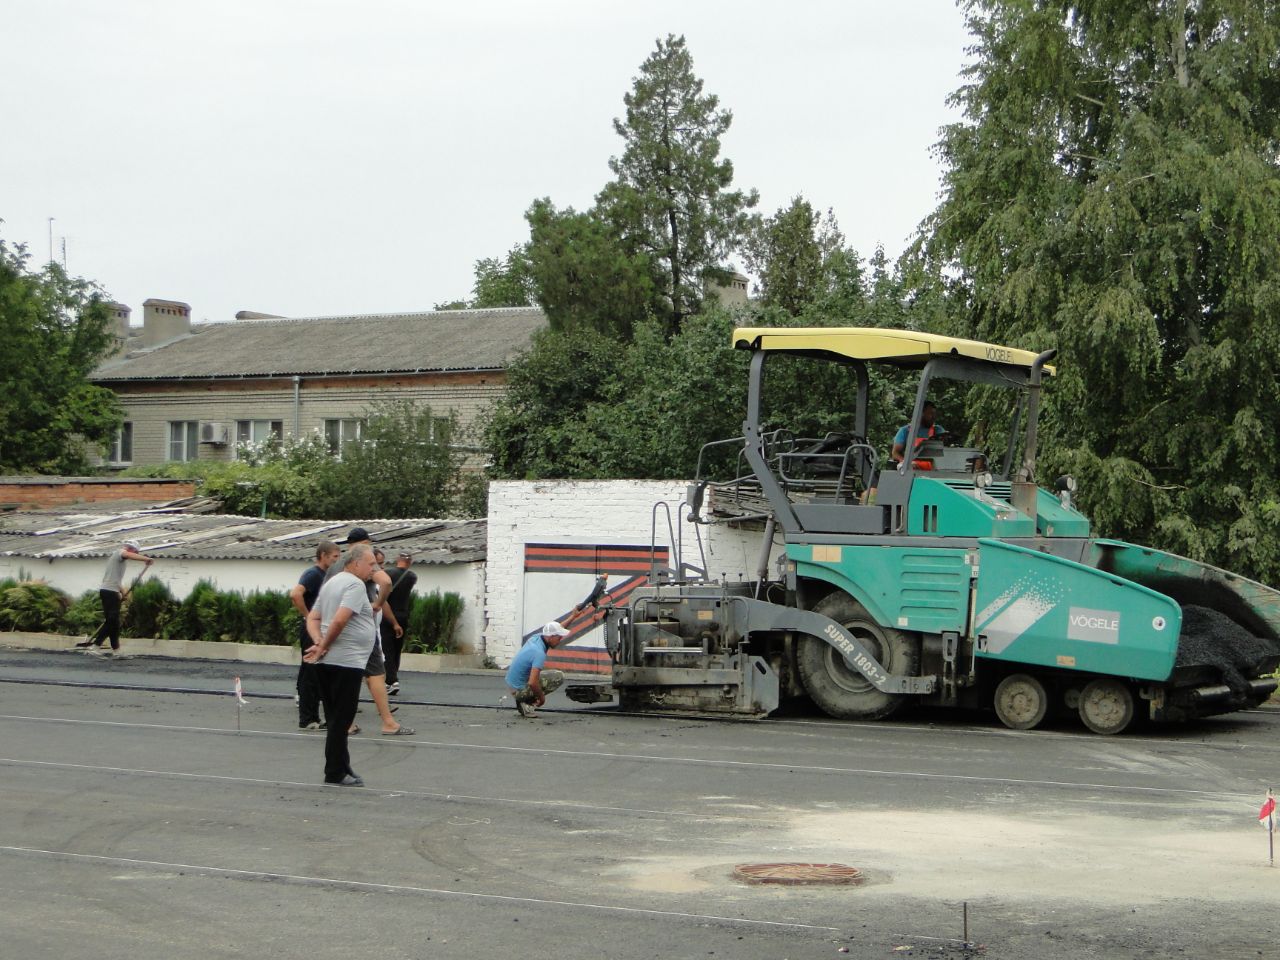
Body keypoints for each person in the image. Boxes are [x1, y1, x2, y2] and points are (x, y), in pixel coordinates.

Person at [303, 543, 379, 786]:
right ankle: (334, 772)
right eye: (370, 564)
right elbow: (339, 620)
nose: (373, 569)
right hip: (344, 661)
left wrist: (317, 641)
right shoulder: (354, 585)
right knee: (341, 719)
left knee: (337, 716)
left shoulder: (331, 582)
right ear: (355, 563)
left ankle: (342, 766)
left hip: (333, 660)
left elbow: (313, 618)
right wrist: (323, 645)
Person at [328, 529, 413, 737]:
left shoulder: (335, 567)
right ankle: (388, 722)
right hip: (360, 628)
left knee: (347, 675)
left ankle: (345, 722)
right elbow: (385, 582)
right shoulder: (365, 562)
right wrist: (378, 603)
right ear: (358, 544)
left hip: (338, 625)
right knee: (375, 673)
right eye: (367, 542)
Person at [290, 540, 340, 730]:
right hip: (312, 629)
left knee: (314, 671)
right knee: (311, 671)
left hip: (319, 628)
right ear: (323, 556)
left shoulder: (326, 575)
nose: (337, 560)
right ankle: (307, 718)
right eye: (334, 557)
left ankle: (313, 716)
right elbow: (296, 594)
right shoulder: (313, 574)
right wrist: (308, 616)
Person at [76, 538, 153, 656]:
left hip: (112, 591)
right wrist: (146, 559)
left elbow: (116, 580)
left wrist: (122, 592)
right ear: (131, 549)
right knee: (111, 621)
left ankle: (116, 650)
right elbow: (127, 554)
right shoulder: (120, 553)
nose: (135, 555)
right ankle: (96, 646)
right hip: (108, 592)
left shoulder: (120, 562)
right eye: (136, 552)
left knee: (114, 623)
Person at [506, 621, 569, 718]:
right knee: (558, 677)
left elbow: (558, 629)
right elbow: (532, 683)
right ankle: (526, 702)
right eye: (559, 638)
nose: (560, 640)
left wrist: (574, 616)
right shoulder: (539, 653)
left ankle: (523, 699)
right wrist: (541, 698)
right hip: (518, 690)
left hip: (512, 683)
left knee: (546, 676)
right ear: (551, 637)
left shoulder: (537, 637)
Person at [381, 552, 417, 695]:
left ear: (397, 560)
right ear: (410, 562)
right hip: (403, 614)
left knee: (387, 648)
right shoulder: (412, 576)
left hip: (387, 613)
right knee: (397, 648)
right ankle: (393, 676)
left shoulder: (388, 573)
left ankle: (391, 680)